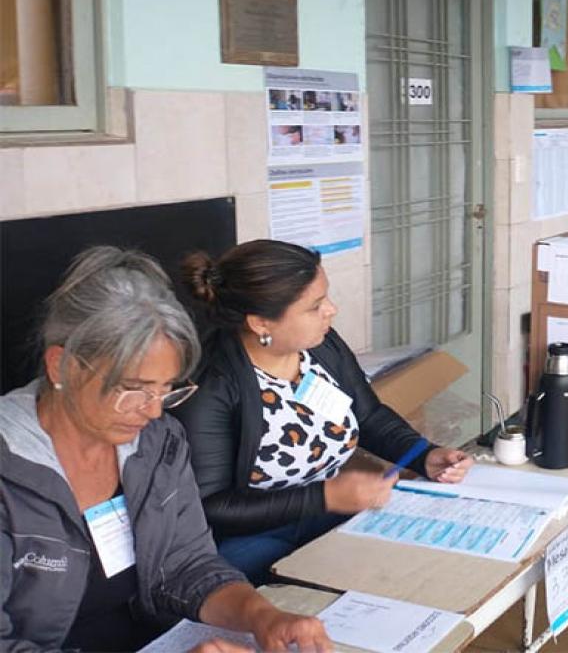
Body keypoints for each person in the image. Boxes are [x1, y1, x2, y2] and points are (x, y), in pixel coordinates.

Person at [1, 247, 330, 652]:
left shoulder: (157, 442)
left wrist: (262, 615)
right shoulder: (9, 472)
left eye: (167, 389)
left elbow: (187, 564)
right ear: (61, 367)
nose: (153, 411)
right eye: (133, 390)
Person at [174, 240, 474, 584]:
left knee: (408, 571)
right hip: (249, 536)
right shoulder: (212, 386)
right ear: (261, 323)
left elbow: (368, 414)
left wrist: (424, 455)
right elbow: (213, 505)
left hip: (328, 511)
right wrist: (326, 496)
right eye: (315, 306)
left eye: (326, 297)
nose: (331, 310)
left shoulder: (320, 346)